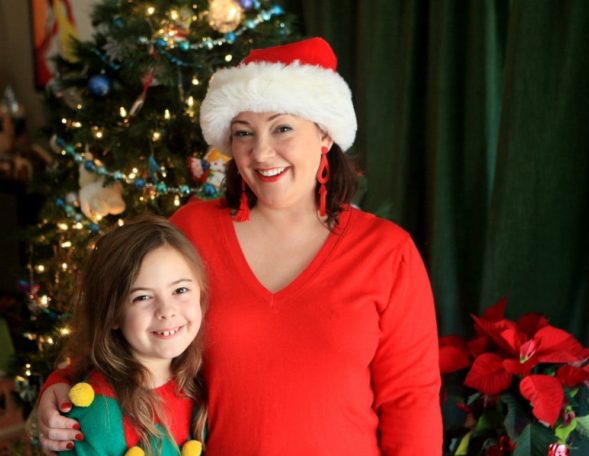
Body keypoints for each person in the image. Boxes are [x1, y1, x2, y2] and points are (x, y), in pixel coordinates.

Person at [37, 37, 442, 455]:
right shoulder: (191, 231)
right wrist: (61, 383)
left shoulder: (387, 251)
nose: (261, 152)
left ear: (324, 135)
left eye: (282, 128)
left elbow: (411, 403)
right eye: (243, 133)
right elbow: (125, 327)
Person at [48, 215, 208, 455]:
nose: (166, 311)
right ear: (112, 315)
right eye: (142, 297)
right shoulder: (99, 414)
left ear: (200, 294)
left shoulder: (199, 381)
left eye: (180, 290)